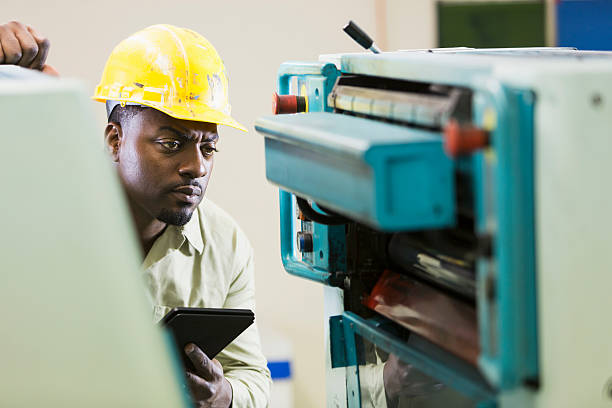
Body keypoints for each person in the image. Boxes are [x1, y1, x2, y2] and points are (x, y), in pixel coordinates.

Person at [0, 21, 271, 407]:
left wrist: (223, 395)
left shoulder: (224, 245)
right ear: (115, 139)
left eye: (208, 148)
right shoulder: (39, 214)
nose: (196, 167)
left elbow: (251, 376)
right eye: (171, 143)